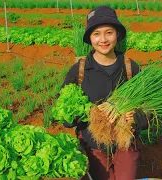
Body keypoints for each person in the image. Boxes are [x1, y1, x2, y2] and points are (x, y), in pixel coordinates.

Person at [62, 5, 149, 180]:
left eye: (109, 32)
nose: (103, 39)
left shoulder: (131, 67)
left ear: (117, 34)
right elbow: (64, 115)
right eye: (96, 34)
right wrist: (76, 116)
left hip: (126, 143)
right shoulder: (78, 70)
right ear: (90, 38)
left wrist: (141, 117)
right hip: (93, 146)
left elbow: (148, 107)